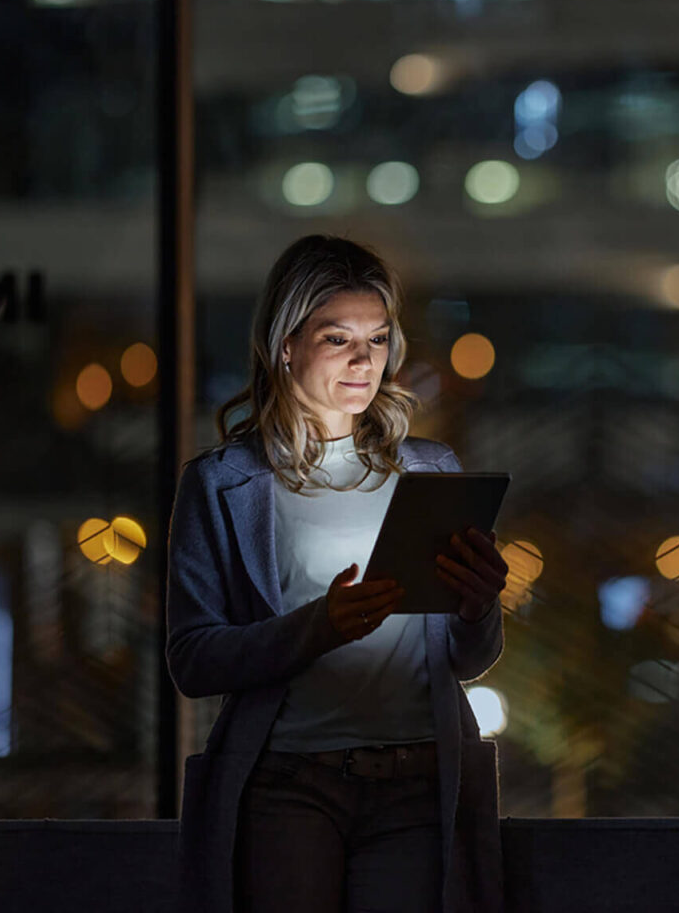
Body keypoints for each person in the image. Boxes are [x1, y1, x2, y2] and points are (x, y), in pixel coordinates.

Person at [166, 234, 509, 913]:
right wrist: (315, 629)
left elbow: (468, 662)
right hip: (289, 785)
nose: (363, 360)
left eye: (377, 339)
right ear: (285, 344)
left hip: (418, 778)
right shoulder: (223, 484)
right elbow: (192, 660)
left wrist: (477, 607)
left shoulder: (428, 472)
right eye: (337, 338)